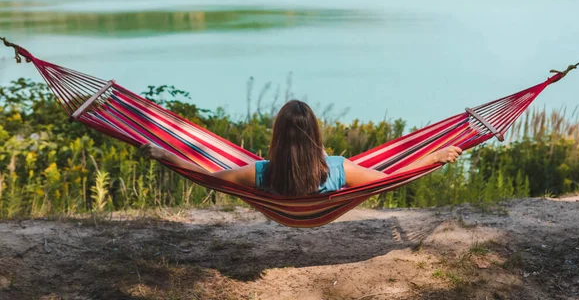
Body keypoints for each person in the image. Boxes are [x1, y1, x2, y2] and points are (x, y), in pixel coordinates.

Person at [141, 100, 462, 196]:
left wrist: (167, 155)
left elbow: (211, 176)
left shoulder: (262, 172)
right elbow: (386, 179)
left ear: (277, 136)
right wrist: (432, 156)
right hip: (325, 180)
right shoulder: (338, 169)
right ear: (315, 135)